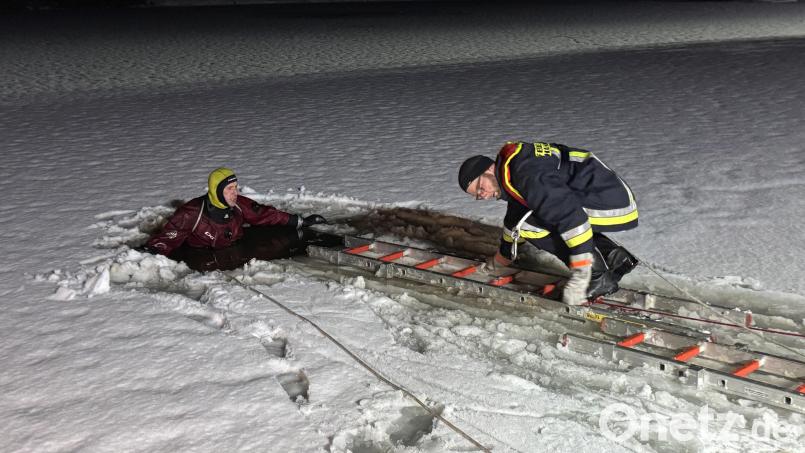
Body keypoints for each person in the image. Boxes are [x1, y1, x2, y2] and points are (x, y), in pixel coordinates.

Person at [458, 141, 639, 305]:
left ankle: (597, 277)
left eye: (480, 188)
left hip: (612, 203)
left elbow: (572, 219)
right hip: (604, 194)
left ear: (489, 170)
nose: (482, 195)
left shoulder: (526, 175)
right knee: (532, 219)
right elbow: (515, 219)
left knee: (537, 226)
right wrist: (499, 261)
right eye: (477, 195)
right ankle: (613, 257)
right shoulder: (513, 168)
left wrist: (581, 277)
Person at [145, 167, 327, 257]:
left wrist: (299, 221)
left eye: (236, 187)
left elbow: (264, 214)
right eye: (229, 189)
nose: (235, 193)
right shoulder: (192, 212)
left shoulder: (239, 204)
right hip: (202, 256)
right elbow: (167, 238)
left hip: (235, 249)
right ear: (216, 191)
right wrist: (151, 253)